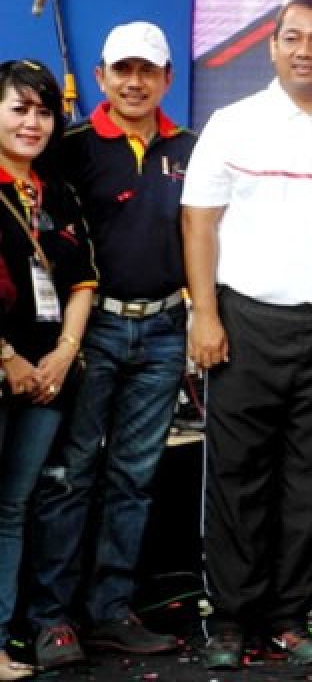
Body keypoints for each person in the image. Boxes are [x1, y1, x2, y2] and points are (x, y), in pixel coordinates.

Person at [182, 0, 312, 669]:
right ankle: (235, 618)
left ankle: (290, 616)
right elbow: (200, 223)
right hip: (245, 323)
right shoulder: (234, 122)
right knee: (238, 477)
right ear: (272, 48)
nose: (305, 50)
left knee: (311, 479)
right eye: (292, 38)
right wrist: (206, 314)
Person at [25, 21, 194, 669]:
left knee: (135, 477)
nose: (134, 82)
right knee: (70, 475)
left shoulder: (191, 147)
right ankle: (50, 617)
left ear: (166, 79)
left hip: (162, 329)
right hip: (89, 330)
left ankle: (112, 612)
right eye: (122, 70)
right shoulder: (68, 146)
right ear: (99, 77)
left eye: (147, 71)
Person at [0, 59, 98, 681]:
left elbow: (84, 277)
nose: (32, 122)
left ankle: (2, 639)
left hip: (47, 377)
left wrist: (62, 354)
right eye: (18, 109)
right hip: (9, 366)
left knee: (12, 509)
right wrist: (7, 358)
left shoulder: (52, 189)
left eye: (43, 111)